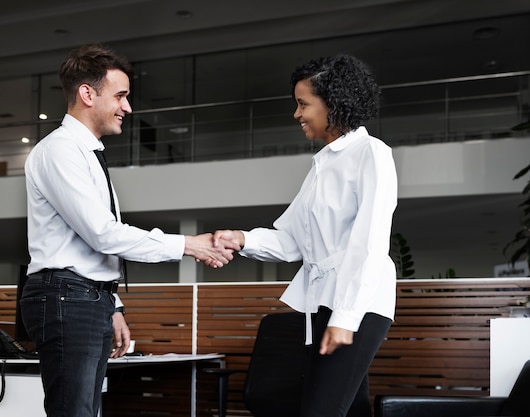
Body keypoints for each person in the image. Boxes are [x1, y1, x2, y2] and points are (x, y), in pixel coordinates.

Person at [21, 43, 238, 417]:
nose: (128, 107)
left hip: (86, 297)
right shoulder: (60, 151)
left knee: (86, 411)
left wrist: (113, 306)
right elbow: (103, 234)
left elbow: (92, 244)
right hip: (66, 297)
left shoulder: (86, 153)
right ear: (87, 94)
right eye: (120, 96)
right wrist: (189, 245)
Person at [214, 55, 398, 417]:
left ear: (333, 102)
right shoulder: (322, 165)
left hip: (357, 302)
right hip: (323, 301)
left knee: (320, 410)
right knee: (349, 408)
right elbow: (291, 241)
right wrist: (240, 238)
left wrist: (346, 318)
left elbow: (371, 241)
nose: (296, 114)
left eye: (303, 104)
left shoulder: (370, 153)